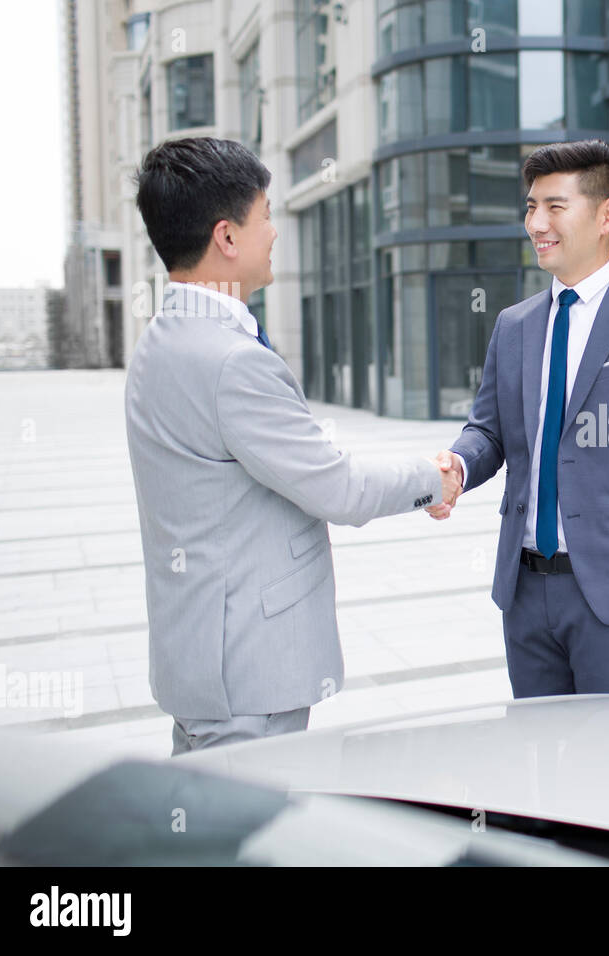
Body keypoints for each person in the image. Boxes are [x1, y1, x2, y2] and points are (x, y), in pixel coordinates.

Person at [125, 137, 459, 755]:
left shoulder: (160, 342)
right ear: (227, 237)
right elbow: (334, 486)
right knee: (241, 846)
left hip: (200, 659)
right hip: (248, 672)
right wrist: (432, 478)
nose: (274, 232)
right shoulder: (229, 361)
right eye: (266, 215)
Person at [433, 139, 609, 698]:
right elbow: (489, 429)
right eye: (531, 206)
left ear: (608, 214)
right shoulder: (514, 325)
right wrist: (459, 464)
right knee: (537, 761)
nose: (536, 222)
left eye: (555, 206)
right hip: (525, 593)